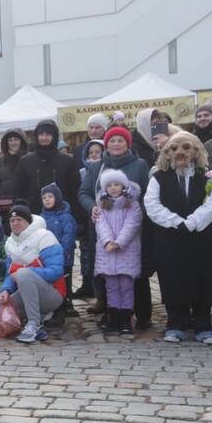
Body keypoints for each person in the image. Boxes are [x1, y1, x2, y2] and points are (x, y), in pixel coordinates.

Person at [145, 132, 212, 344]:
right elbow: (152, 205)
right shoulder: (158, 178)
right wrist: (176, 222)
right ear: (166, 153)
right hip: (170, 238)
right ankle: (175, 324)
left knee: (203, 277)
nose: (179, 152)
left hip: (202, 237)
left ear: (196, 150)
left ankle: (203, 325)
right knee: (172, 278)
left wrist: (192, 222)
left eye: (185, 147)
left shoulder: (210, 175)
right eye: (173, 149)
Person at [79, 126, 152, 327]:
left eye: (120, 140)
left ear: (127, 144)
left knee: (134, 272)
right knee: (108, 272)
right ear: (106, 144)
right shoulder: (96, 167)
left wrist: (139, 216)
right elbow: (83, 192)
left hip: (131, 229)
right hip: (105, 229)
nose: (116, 144)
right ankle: (112, 312)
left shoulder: (139, 165)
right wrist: (91, 207)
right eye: (112, 141)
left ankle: (141, 313)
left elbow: (148, 193)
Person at [0, 204, 65, 343]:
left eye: (19, 219)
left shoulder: (44, 236)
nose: (15, 223)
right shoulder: (9, 243)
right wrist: (6, 290)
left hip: (53, 293)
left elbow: (56, 272)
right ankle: (36, 314)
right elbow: (10, 274)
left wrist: (27, 271)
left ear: (28, 221)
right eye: (12, 220)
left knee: (23, 273)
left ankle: (34, 324)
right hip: (26, 291)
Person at [94, 170, 143, 334]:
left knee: (126, 286)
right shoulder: (102, 205)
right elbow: (101, 224)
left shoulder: (132, 204)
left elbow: (132, 225)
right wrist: (108, 241)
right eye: (109, 185)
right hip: (107, 252)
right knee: (112, 286)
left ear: (123, 186)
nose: (113, 188)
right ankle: (113, 318)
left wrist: (118, 242)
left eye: (116, 184)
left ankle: (126, 319)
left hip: (126, 252)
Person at [14, 119, 81, 218]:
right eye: (41, 134)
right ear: (36, 136)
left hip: (62, 217)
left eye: (48, 134)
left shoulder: (67, 161)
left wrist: (77, 218)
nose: (44, 138)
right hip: (34, 216)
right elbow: (20, 193)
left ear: (54, 137)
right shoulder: (26, 162)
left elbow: (75, 191)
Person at [73, 139, 105, 301]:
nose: (94, 155)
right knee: (89, 259)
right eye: (91, 152)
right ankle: (93, 290)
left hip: (104, 220)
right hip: (87, 219)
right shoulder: (81, 172)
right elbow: (79, 193)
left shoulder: (108, 169)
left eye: (97, 152)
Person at [40, 183, 77, 320]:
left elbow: (68, 237)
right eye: (44, 198)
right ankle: (51, 307)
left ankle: (65, 305)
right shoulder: (41, 218)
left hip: (63, 257)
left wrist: (60, 252)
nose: (47, 200)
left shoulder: (66, 217)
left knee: (65, 282)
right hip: (46, 258)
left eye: (50, 196)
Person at [0, 128, 28, 232]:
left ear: (22, 140)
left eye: (16, 139)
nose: (13, 142)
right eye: (10, 140)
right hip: (6, 210)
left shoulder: (29, 159)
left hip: (27, 209)